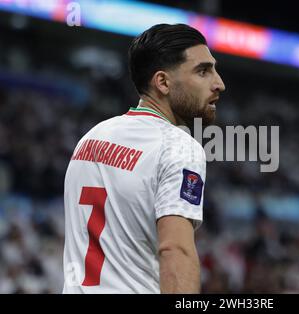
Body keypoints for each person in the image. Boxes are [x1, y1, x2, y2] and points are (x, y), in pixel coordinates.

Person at [62, 23, 226, 293]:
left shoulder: (90, 138)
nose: (219, 83)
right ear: (162, 82)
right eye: (203, 71)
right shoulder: (178, 146)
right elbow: (176, 250)